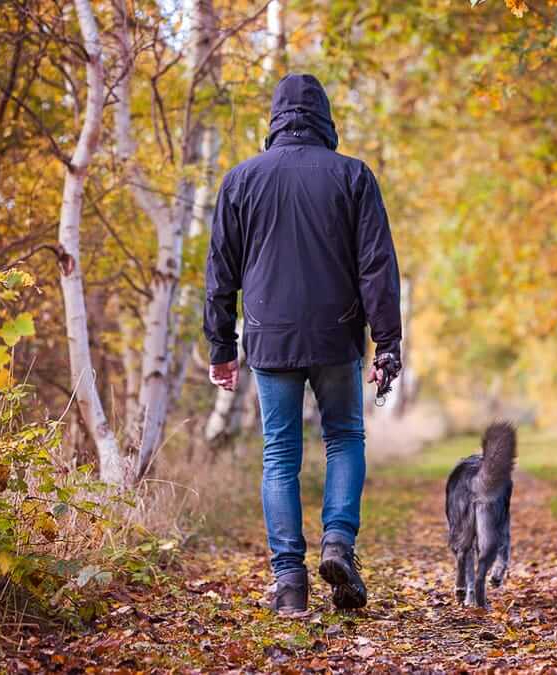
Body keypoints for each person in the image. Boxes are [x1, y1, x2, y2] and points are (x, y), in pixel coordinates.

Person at [203, 74, 402, 613]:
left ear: (274, 118)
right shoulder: (353, 177)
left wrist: (222, 346)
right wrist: (387, 342)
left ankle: (289, 583)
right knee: (344, 438)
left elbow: (220, 272)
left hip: (269, 338)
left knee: (279, 455)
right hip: (338, 334)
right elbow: (377, 267)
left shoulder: (241, 180)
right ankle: (338, 542)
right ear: (325, 117)